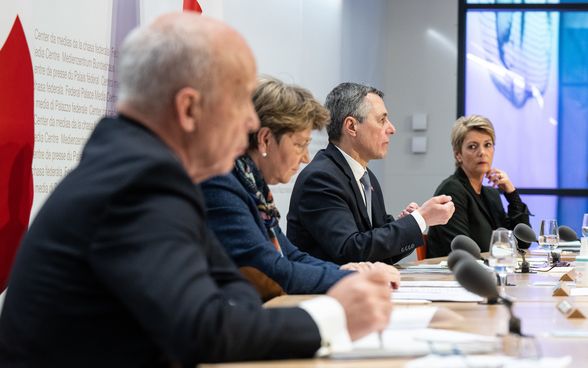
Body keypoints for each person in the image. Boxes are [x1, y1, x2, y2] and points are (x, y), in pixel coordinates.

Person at [0, 14, 396, 367]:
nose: (247, 120)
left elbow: (230, 292)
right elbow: (203, 329)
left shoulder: (142, 168)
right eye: (240, 99)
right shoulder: (140, 183)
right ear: (189, 109)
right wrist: (334, 317)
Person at [202, 77, 400, 301]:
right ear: (265, 139)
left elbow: (290, 254)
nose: (306, 158)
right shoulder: (222, 186)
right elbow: (273, 268)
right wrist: (349, 279)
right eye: (299, 144)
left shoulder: (252, 187)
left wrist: (347, 271)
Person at [287, 82, 455, 265]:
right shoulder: (321, 178)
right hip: (323, 292)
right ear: (351, 126)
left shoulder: (367, 177)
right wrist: (420, 219)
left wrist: (408, 223)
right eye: (382, 120)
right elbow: (351, 251)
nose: (392, 129)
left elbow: (376, 252)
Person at [427, 115, 530, 258]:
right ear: (458, 155)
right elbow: (463, 251)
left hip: (490, 271)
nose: (482, 152)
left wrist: (511, 194)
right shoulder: (451, 191)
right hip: (456, 275)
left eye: (487, 145)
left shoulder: (491, 195)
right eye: (472, 147)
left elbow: (522, 243)